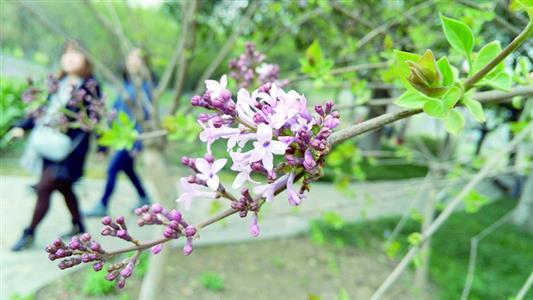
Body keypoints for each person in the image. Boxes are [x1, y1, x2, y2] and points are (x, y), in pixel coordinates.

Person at [10, 42, 102, 251]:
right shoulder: (58, 83)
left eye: (76, 53)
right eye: (67, 53)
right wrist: (23, 127)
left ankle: (29, 232)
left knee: (44, 188)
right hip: (50, 147)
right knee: (65, 189)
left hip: (69, 152)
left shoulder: (90, 85)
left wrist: (103, 148)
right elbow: (42, 110)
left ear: (86, 59)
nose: (70, 57)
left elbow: (97, 118)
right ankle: (79, 226)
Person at [84, 48, 152, 217]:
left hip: (132, 139)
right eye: (131, 56)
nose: (133, 61)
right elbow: (115, 110)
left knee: (113, 168)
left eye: (138, 58)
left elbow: (147, 117)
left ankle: (103, 204)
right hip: (121, 136)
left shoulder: (145, 88)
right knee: (128, 170)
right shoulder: (126, 85)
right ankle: (144, 197)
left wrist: (137, 144)